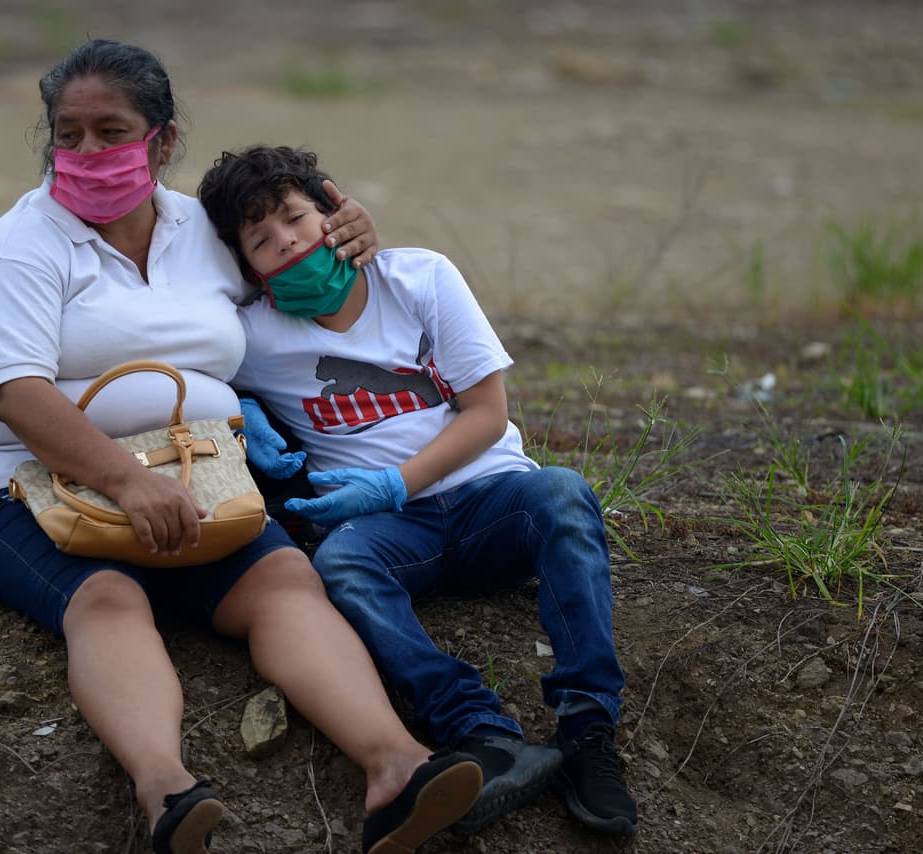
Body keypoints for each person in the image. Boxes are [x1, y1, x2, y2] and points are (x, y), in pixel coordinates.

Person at [0, 40, 487, 854]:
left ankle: (397, 769)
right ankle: (165, 791)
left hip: (196, 470)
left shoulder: (203, 230)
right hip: (23, 486)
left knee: (287, 584)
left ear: (160, 140)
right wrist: (126, 481)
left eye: (110, 131)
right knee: (109, 599)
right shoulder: (22, 247)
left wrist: (354, 233)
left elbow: (295, 271)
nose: (87, 151)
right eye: (69, 133)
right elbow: (14, 393)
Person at [197, 144, 639, 838]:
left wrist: (390, 484)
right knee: (339, 563)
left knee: (562, 493)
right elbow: (178, 361)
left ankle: (588, 729)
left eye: (294, 216)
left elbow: (487, 414)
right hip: (394, 537)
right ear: (245, 265)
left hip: (491, 499)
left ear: (334, 211)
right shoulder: (246, 336)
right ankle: (482, 733)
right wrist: (234, 405)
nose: (285, 240)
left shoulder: (421, 277)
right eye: (260, 237)